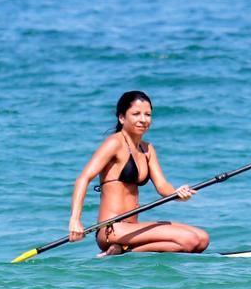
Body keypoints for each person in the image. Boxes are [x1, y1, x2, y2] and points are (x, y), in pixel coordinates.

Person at [67, 91, 210, 256]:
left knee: (202, 239)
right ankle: (121, 249)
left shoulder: (147, 149)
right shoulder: (114, 143)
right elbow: (83, 178)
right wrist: (75, 220)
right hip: (112, 229)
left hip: (132, 228)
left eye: (148, 114)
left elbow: (162, 186)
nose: (143, 119)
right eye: (136, 114)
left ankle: (123, 249)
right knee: (189, 240)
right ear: (122, 118)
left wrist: (177, 193)